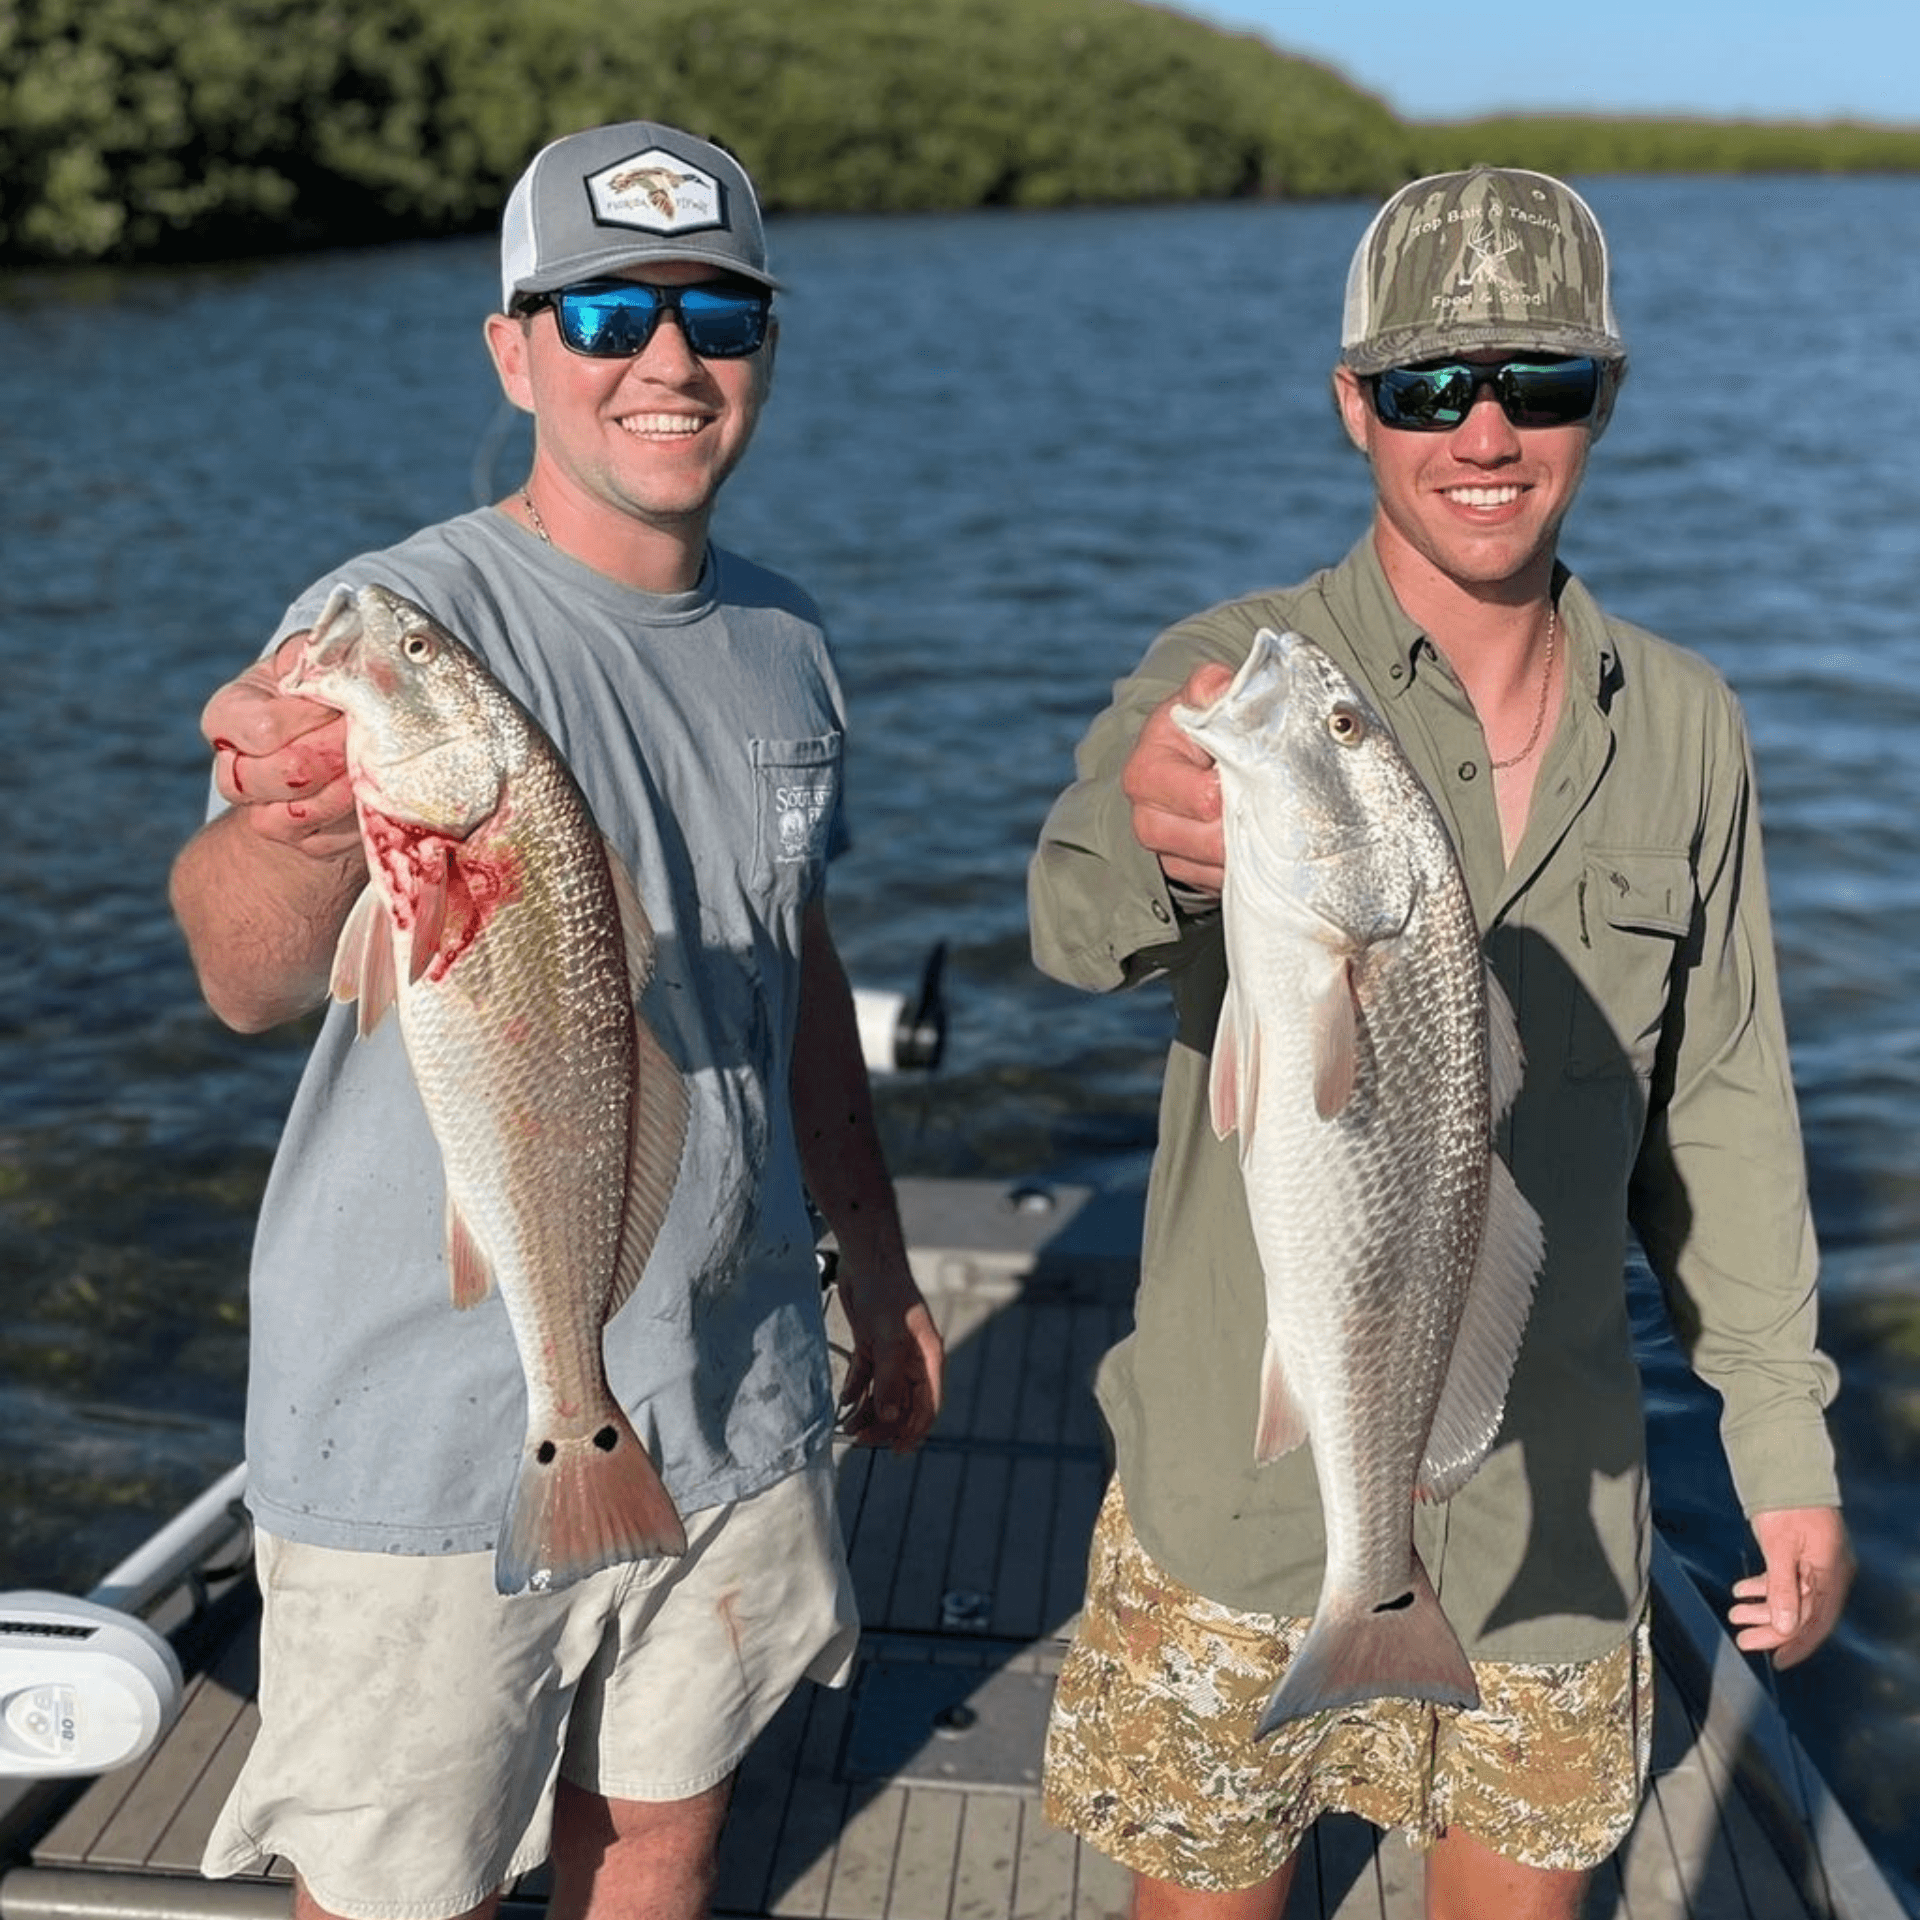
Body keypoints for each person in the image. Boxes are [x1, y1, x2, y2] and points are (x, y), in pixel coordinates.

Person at [1028, 166, 1853, 1920]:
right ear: (1353, 405)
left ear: (1603, 398)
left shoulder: (1689, 726)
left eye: (1536, 382)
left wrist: (1781, 1450)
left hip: (1552, 1513)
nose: (1482, 430)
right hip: (1234, 1503)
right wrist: (1157, 827)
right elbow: (1077, 910)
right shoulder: (1236, 677)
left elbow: (1724, 1108)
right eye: (1426, 386)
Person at [169, 120, 944, 1920]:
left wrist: (878, 1253)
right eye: (604, 311)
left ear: (762, 346)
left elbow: (794, 963)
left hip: (733, 1387)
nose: (667, 358)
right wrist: (292, 821)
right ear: (515, 349)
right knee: (394, 1892)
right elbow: (240, 967)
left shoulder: (786, 637)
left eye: (717, 313)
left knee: (661, 1838)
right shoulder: (403, 623)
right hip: (427, 1429)